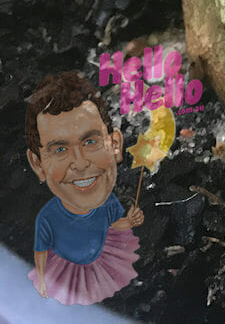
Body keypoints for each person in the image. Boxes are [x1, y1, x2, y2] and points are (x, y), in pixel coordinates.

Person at [25, 70, 144, 305]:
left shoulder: (109, 203)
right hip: (64, 271)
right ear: (37, 164)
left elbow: (112, 226)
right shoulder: (47, 217)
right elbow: (40, 251)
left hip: (99, 265)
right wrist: (41, 279)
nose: (80, 164)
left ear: (115, 145)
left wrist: (128, 223)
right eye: (60, 149)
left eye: (90, 142)